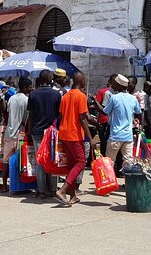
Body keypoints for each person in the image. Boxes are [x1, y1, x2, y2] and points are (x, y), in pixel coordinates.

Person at [55, 72, 96, 206]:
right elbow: (83, 118)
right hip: (74, 134)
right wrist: (90, 138)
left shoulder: (65, 96)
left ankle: (72, 196)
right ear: (82, 81)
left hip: (64, 133)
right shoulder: (81, 96)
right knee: (81, 162)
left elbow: (60, 116)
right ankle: (63, 190)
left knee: (72, 164)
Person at [26, 69, 61, 199]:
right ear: (50, 79)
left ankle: (41, 191)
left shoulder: (33, 94)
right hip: (52, 132)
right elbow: (59, 115)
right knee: (53, 159)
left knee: (40, 160)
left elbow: (31, 114)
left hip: (37, 132)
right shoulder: (56, 94)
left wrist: (29, 130)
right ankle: (52, 189)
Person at [96, 74, 141, 166]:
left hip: (115, 136)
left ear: (119, 85)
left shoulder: (114, 98)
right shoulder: (133, 99)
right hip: (128, 137)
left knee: (109, 163)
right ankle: (129, 179)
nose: (112, 85)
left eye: (115, 84)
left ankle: (110, 180)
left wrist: (96, 103)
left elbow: (105, 112)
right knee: (128, 162)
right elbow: (138, 112)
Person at [1, 77, 32, 193]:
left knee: (5, 161)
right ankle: (19, 184)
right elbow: (27, 118)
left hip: (9, 133)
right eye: (29, 86)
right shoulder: (27, 100)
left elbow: (8, 113)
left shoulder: (12, 98)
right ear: (25, 87)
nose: (31, 88)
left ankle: (4, 185)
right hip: (20, 133)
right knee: (21, 161)